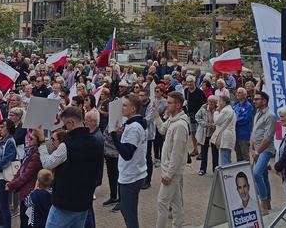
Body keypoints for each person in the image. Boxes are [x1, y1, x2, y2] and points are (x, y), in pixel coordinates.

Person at [38, 106, 104, 227]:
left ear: (71, 123)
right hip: (84, 201)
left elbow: (47, 163)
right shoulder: (96, 142)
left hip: (64, 203)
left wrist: (42, 142)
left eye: (65, 125)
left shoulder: (67, 145)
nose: (65, 129)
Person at [153, 91, 189, 228]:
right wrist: (156, 114)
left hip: (172, 171)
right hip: (169, 169)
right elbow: (162, 129)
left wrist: (169, 173)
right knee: (176, 202)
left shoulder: (180, 125)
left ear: (178, 105)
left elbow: (177, 154)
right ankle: (178, 225)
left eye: (169, 103)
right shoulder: (173, 119)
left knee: (162, 202)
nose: (167, 105)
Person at [111, 94, 147, 228]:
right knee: (127, 211)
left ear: (133, 109)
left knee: (129, 213)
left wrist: (114, 136)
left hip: (132, 176)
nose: (121, 108)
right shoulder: (132, 124)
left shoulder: (134, 127)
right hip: (131, 172)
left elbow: (127, 154)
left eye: (124, 105)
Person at [7, 130, 43, 228]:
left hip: (29, 192)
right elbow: (21, 169)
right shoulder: (29, 151)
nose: (28, 140)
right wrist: (13, 181)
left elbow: (26, 175)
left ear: (38, 141)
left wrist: (11, 185)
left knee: (27, 221)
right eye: (28, 137)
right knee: (23, 220)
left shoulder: (37, 155)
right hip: (24, 191)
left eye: (31, 139)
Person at [249, 91, 276, 213]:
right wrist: (252, 149)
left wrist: (258, 152)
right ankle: (268, 204)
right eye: (254, 99)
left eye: (257, 99)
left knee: (256, 173)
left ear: (264, 101)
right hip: (257, 149)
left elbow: (268, 136)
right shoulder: (257, 113)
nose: (254, 101)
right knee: (263, 176)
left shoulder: (270, 115)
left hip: (265, 150)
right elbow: (255, 131)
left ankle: (263, 202)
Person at [196, 95, 218, 175]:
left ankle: (215, 170)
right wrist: (205, 124)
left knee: (215, 152)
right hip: (205, 133)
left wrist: (215, 125)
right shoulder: (203, 108)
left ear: (216, 103)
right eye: (210, 101)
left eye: (213, 102)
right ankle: (202, 169)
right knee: (204, 151)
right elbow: (197, 117)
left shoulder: (218, 109)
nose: (211, 103)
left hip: (214, 133)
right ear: (207, 102)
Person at [183, 76, 206, 157]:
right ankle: (195, 149)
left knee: (201, 132)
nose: (189, 83)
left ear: (194, 82)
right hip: (191, 114)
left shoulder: (199, 91)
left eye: (191, 82)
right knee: (193, 132)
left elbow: (205, 102)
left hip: (199, 115)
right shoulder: (186, 90)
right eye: (188, 82)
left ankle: (202, 151)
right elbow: (185, 100)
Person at [211, 95, 236, 166]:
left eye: (219, 101)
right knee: (226, 158)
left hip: (226, 138)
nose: (217, 103)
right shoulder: (229, 109)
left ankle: (226, 176)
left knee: (224, 160)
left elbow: (216, 121)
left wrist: (216, 112)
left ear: (223, 102)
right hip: (227, 136)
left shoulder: (225, 110)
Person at [232, 88, 253, 162]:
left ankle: (247, 172)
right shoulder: (236, 105)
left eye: (240, 93)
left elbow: (245, 119)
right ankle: (240, 171)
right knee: (238, 153)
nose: (237, 94)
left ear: (245, 95)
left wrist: (233, 121)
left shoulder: (248, 106)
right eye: (237, 92)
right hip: (235, 133)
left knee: (245, 154)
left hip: (244, 133)